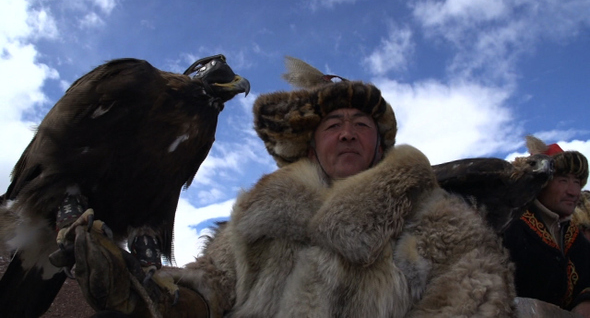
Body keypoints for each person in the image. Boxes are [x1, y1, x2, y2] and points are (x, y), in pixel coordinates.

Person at [74, 57, 515, 317]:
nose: (347, 133)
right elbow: (210, 287)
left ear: (379, 146)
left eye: (361, 125)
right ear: (309, 144)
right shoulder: (256, 215)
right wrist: (149, 296)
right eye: (333, 125)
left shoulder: (442, 222)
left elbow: (475, 303)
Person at [503, 136, 590, 317]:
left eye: (577, 182)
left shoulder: (572, 236)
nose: (573, 191)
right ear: (541, 183)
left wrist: (585, 301)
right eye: (563, 180)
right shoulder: (510, 228)